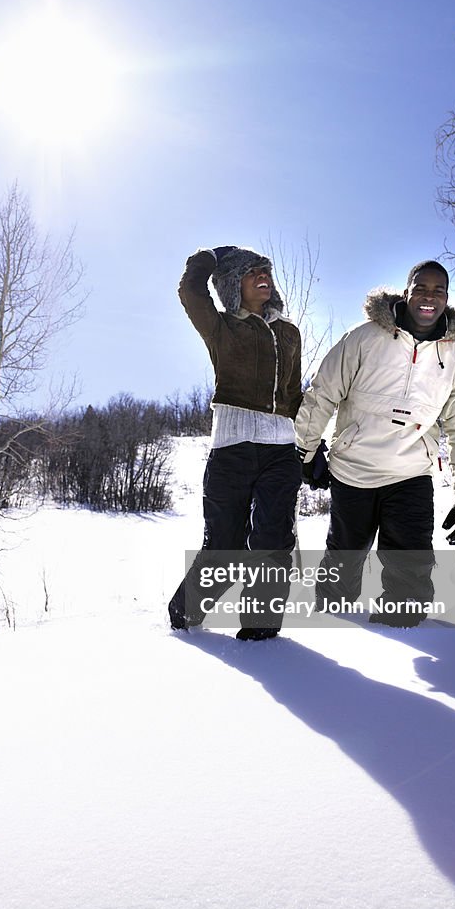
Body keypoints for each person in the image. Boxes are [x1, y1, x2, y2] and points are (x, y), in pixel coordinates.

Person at [295, 260, 455, 627]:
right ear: (406, 291)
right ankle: (329, 638)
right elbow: (322, 393)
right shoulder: (365, 337)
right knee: (340, 575)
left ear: (447, 298)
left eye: (438, 290)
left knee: (409, 589)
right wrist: (305, 448)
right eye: (421, 288)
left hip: (411, 474)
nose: (429, 297)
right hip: (354, 471)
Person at [168, 246, 303, 640]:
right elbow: (191, 292)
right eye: (251, 272)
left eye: (265, 270)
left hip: (280, 451)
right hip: (232, 448)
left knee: (273, 542)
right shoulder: (221, 326)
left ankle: (262, 636)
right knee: (224, 546)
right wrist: (207, 258)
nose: (262, 276)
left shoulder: (288, 332)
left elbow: (293, 394)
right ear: (232, 284)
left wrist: (310, 445)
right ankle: (182, 621)